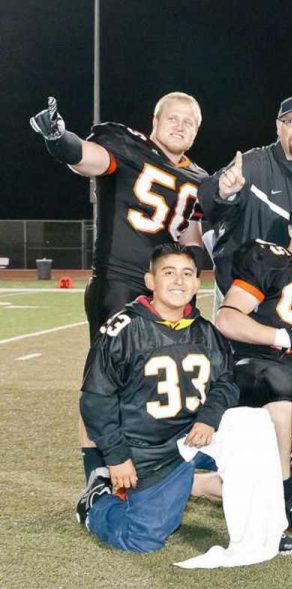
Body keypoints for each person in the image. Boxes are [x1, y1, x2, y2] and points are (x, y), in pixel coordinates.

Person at [74, 244, 292, 554]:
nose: (179, 281)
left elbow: (226, 382)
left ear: (198, 283)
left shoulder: (206, 332)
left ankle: (267, 528)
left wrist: (208, 418)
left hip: (197, 434)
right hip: (152, 450)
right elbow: (95, 400)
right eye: (168, 273)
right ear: (150, 281)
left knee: (255, 427)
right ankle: (95, 502)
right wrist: (116, 458)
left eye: (187, 274)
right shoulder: (124, 329)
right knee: (142, 539)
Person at [29, 92, 207, 485]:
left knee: (162, 376)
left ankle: (151, 459)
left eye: (189, 122)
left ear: (196, 132)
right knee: (104, 381)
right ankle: (97, 470)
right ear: (155, 121)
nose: (180, 126)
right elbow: (89, 158)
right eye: (173, 118)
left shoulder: (199, 178)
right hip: (121, 282)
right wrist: (60, 138)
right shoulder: (128, 146)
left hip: (170, 292)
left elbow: (192, 238)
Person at [214, 202, 292, 535]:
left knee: (286, 379)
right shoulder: (270, 258)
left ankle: (199, 484)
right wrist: (283, 336)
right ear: (291, 231)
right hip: (245, 365)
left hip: (286, 378)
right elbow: (226, 318)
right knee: (279, 376)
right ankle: (280, 510)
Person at [197, 95, 292, 301]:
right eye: (290, 122)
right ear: (278, 127)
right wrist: (223, 192)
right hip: (243, 291)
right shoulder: (252, 165)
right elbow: (208, 199)